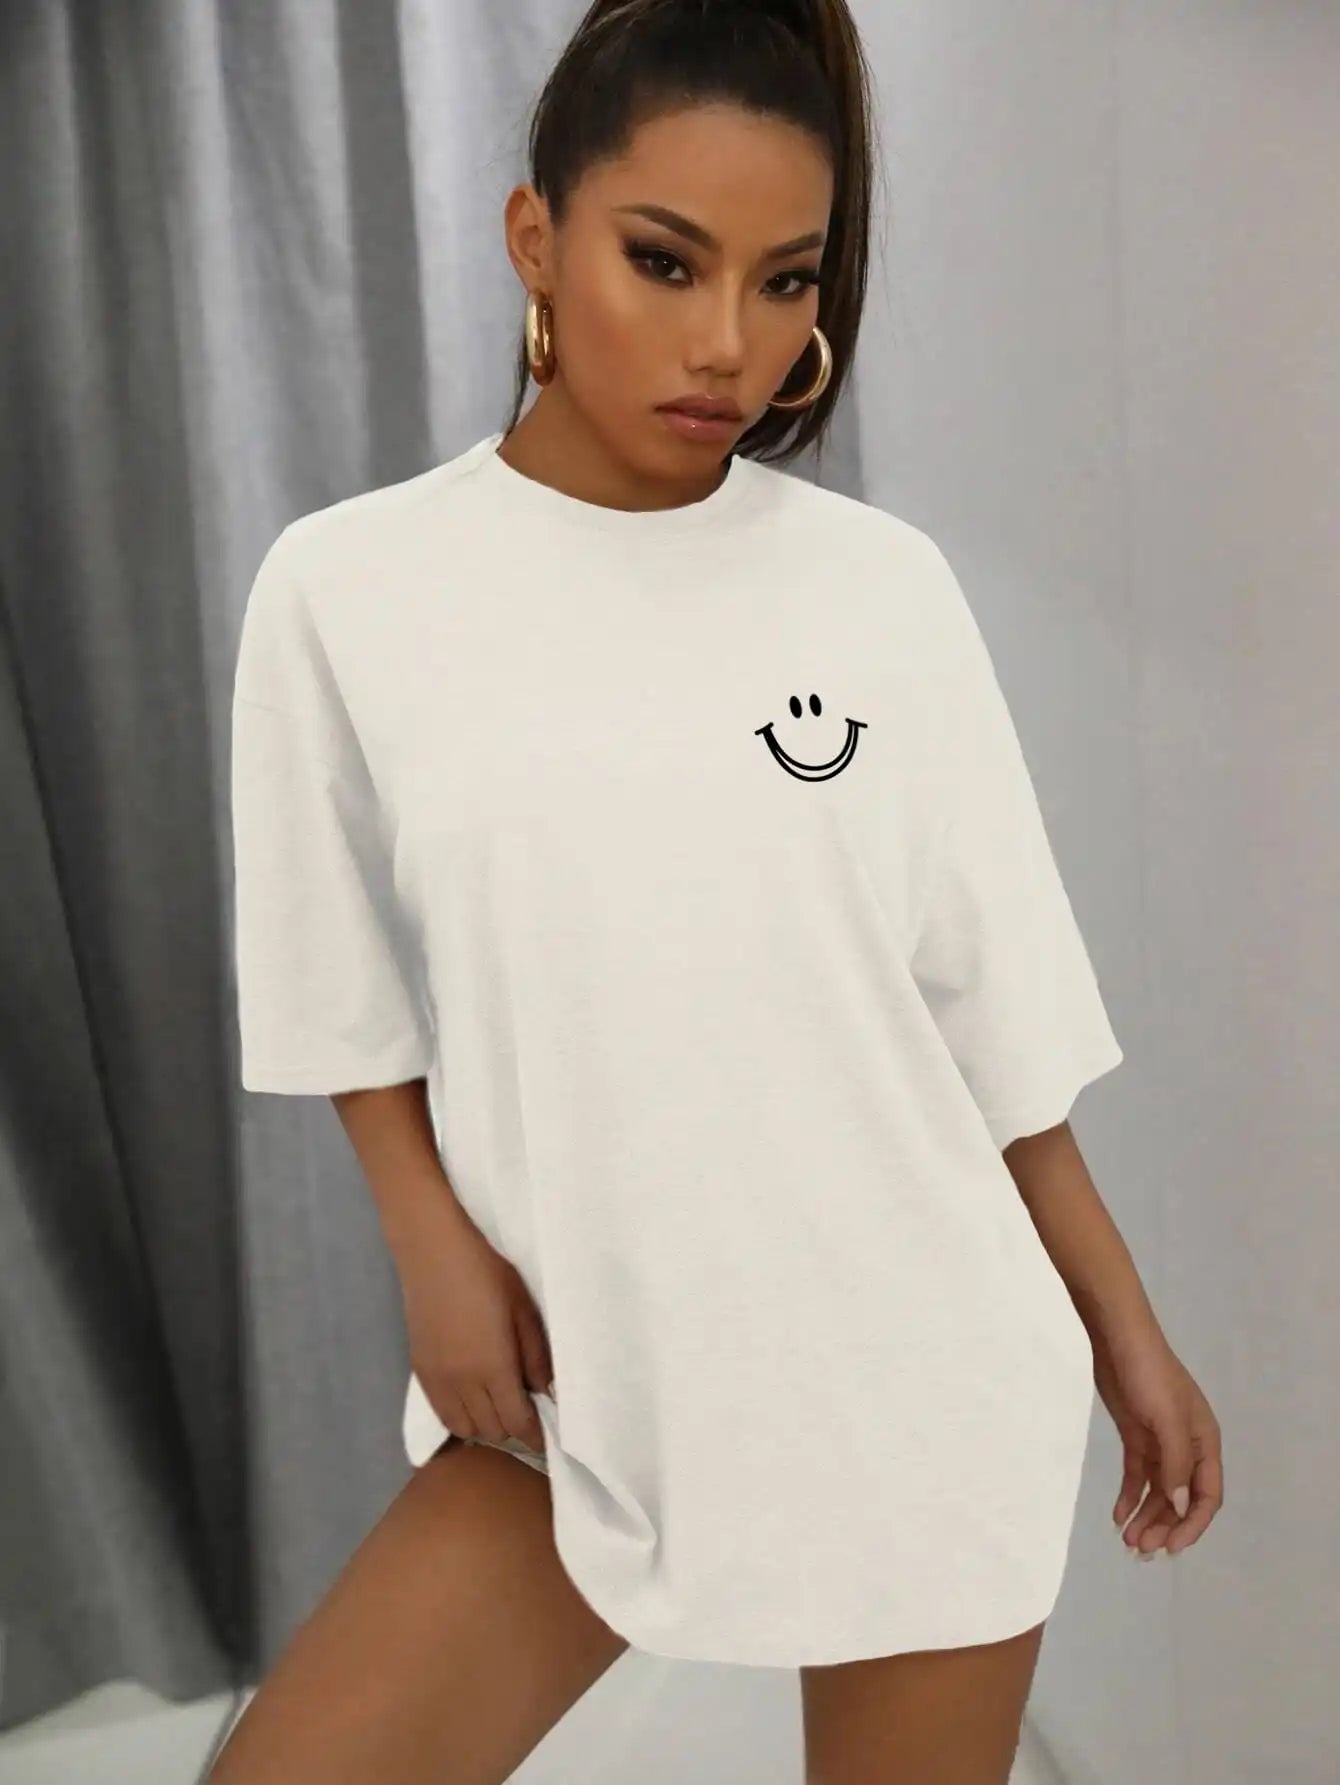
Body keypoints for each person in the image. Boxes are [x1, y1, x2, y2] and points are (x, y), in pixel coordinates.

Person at [216, 1, 1223, 1780]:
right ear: (537, 238)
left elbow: (990, 1015)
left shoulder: (880, 593)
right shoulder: (350, 590)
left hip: (920, 1373)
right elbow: (327, 972)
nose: (729, 346)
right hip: (583, 1384)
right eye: (666, 261)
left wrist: (1124, 1331)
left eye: (786, 281)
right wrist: (430, 1243)